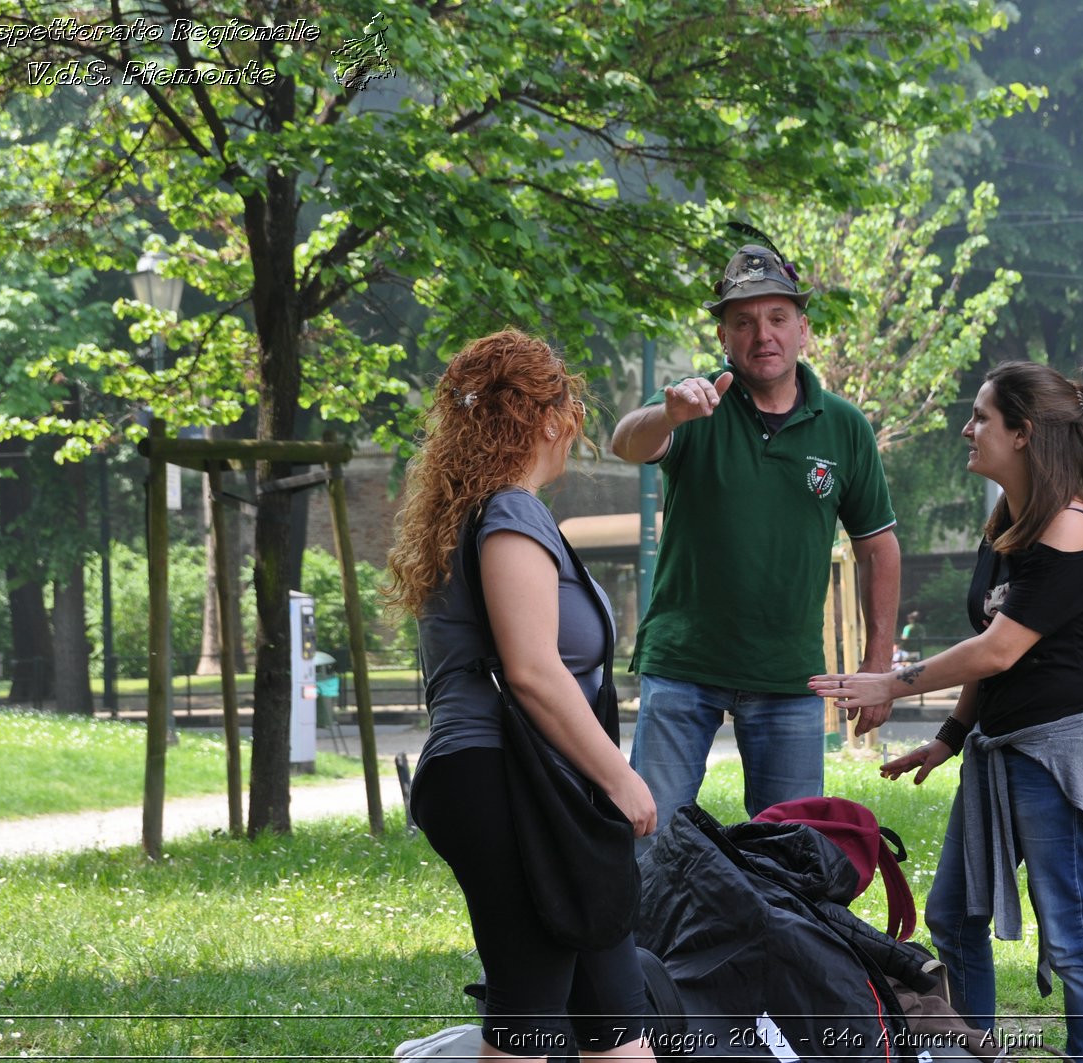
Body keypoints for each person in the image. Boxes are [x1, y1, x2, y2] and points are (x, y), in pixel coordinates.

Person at [809, 362, 1083, 1063]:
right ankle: (973, 1053)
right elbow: (996, 650)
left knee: (1073, 935)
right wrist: (948, 737)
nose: (968, 429)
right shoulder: (1010, 521)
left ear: (1023, 434)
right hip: (1000, 746)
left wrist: (889, 684)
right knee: (953, 917)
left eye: (981, 417)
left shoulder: (1072, 527)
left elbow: (998, 650)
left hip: (1058, 755)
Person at [384, 329, 657, 1062]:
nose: (576, 425)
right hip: (501, 782)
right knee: (529, 1013)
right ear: (545, 417)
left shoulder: (482, 511)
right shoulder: (509, 510)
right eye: (570, 405)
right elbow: (533, 670)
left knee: (615, 1012)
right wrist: (621, 777)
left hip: (526, 786)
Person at [610, 241, 902, 828]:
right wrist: (668, 414)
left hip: (789, 674)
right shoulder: (696, 402)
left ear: (803, 329)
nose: (761, 334)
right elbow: (625, 442)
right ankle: (643, 927)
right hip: (683, 664)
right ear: (723, 336)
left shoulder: (845, 427)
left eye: (776, 318)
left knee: (791, 854)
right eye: (742, 322)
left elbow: (878, 547)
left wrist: (878, 669)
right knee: (649, 836)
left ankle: (778, 926)